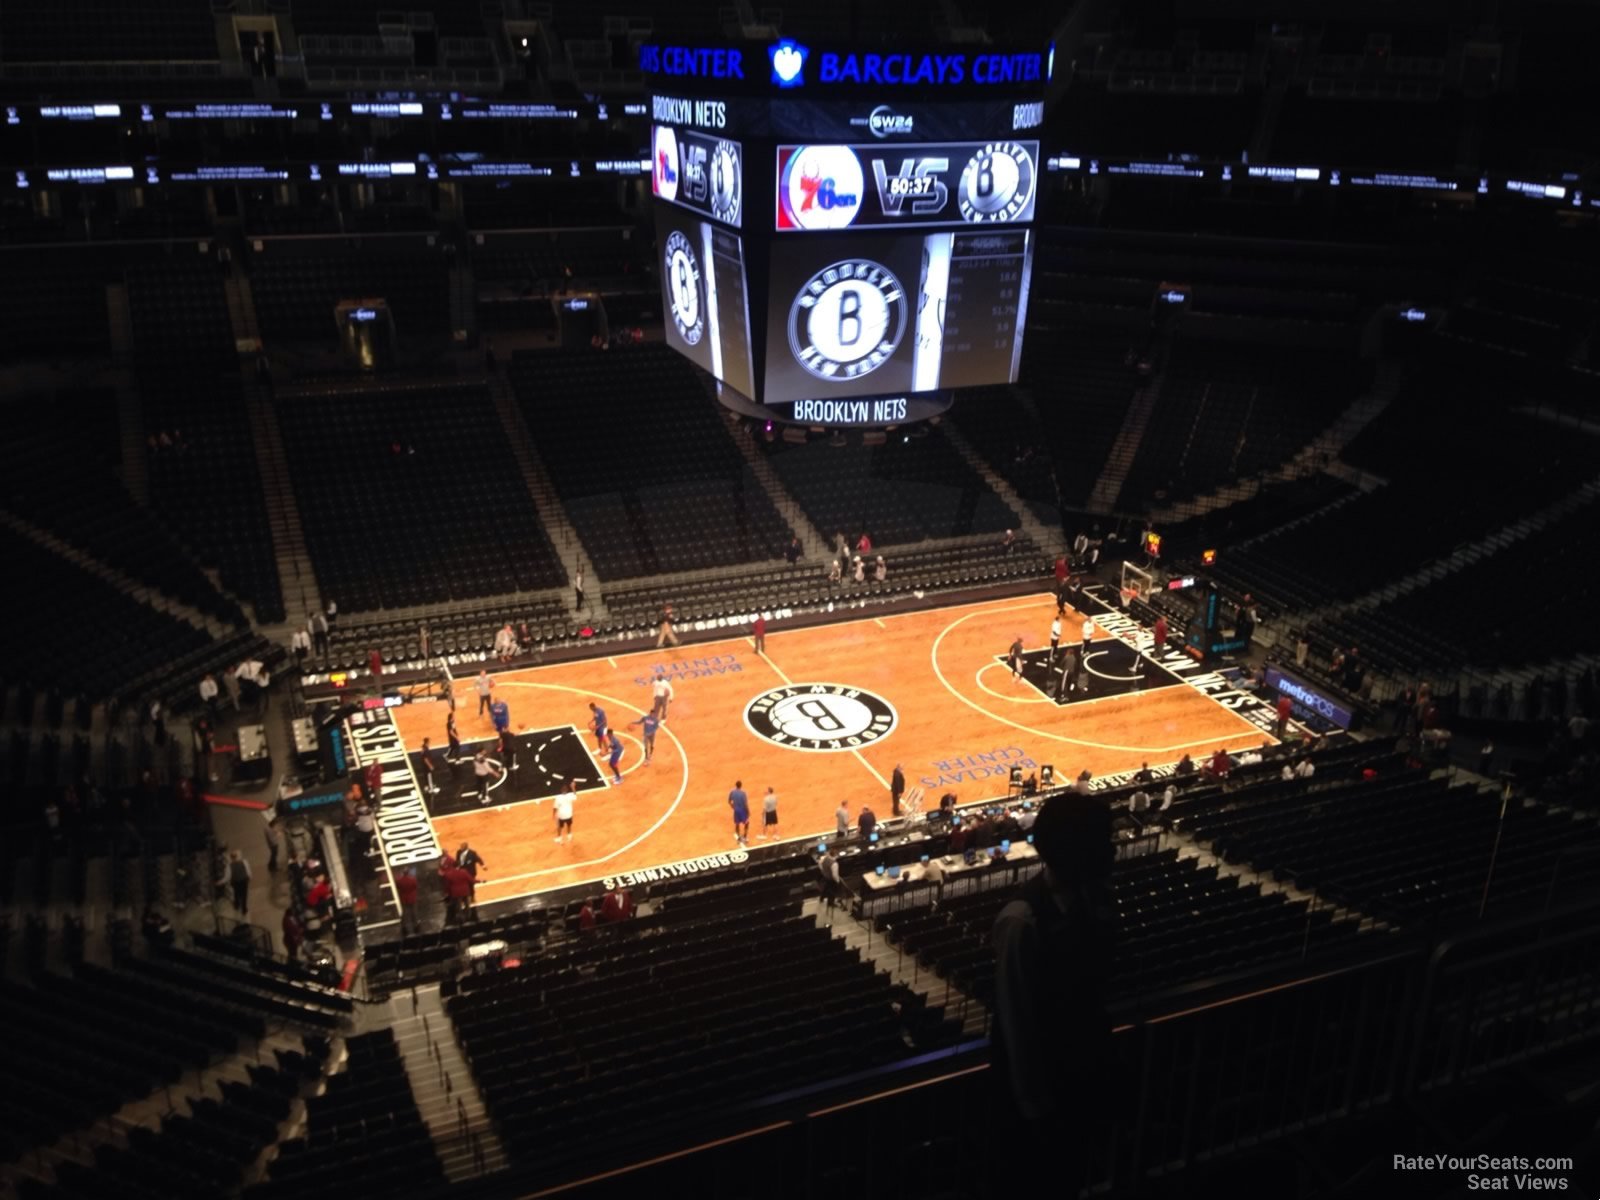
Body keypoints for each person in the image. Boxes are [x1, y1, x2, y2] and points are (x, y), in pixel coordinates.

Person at [990, 794, 1115, 1180]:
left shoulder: (1095, 901)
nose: (1112, 850)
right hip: (1041, 1105)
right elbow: (1017, 1024)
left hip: (1080, 1083)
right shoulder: (1022, 921)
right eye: (1103, 841)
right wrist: (1036, 1109)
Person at [395, 865, 420, 935]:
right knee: (414, 912)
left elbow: (398, 887)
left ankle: (404, 926)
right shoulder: (413, 879)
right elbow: (415, 887)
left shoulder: (399, 881)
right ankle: (415, 924)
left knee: (405, 913)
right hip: (412, 898)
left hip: (404, 898)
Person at [227, 849, 251, 917]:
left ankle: (237, 905)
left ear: (231, 858)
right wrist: (249, 877)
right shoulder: (244, 862)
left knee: (236, 893)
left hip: (235, 882)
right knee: (244, 895)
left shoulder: (230, 866)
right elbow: (248, 870)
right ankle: (244, 908)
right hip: (243, 880)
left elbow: (228, 876)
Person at [728, 780, 750, 846]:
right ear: (741, 785)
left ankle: (738, 839)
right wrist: (748, 811)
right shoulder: (743, 793)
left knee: (737, 824)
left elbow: (729, 801)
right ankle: (745, 837)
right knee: (747, 823)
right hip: (742, 810)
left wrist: (733, 807)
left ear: (736, 785)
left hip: (736, 810)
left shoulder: (732, 792)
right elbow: (745, 804)